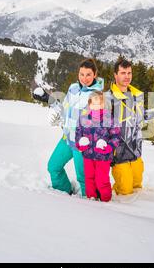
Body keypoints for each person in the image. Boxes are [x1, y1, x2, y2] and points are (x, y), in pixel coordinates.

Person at [33, 59, 104, 196]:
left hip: (83, 143)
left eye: (88, 74)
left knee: (84, 178)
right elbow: (64, 109)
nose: (84, 78)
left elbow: (97, 122)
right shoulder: (73, 88)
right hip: (67, 139)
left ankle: (91, 204)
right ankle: (63, 194)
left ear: (95, 75)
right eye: (81, 74)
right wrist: (48, 99)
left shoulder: (97, 95)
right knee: (53, 167)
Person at [107, 59, 154, 195]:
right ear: (115, 75)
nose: (127, 76)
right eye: (123, 73)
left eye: (129, 73)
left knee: (137, 188)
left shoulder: (136, 95)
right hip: (119, 155)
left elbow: (142, 115)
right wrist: (108, 153)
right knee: (124, 192)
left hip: (136, 152)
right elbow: (101, 128)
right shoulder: (109, 98)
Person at [75, 91, 121, 202]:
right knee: (89, 178)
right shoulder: (83, 118)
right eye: (94, 104)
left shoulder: (109, 119)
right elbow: (78, 133)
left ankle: (106, 199)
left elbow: (116, 136)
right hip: (88, 155)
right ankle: (92, 198)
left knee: (101, 180)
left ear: (103, 104)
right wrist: (80, 144)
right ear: (89, 104)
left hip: (103, 157)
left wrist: (109, 147)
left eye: (99, 104)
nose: (96, 107)